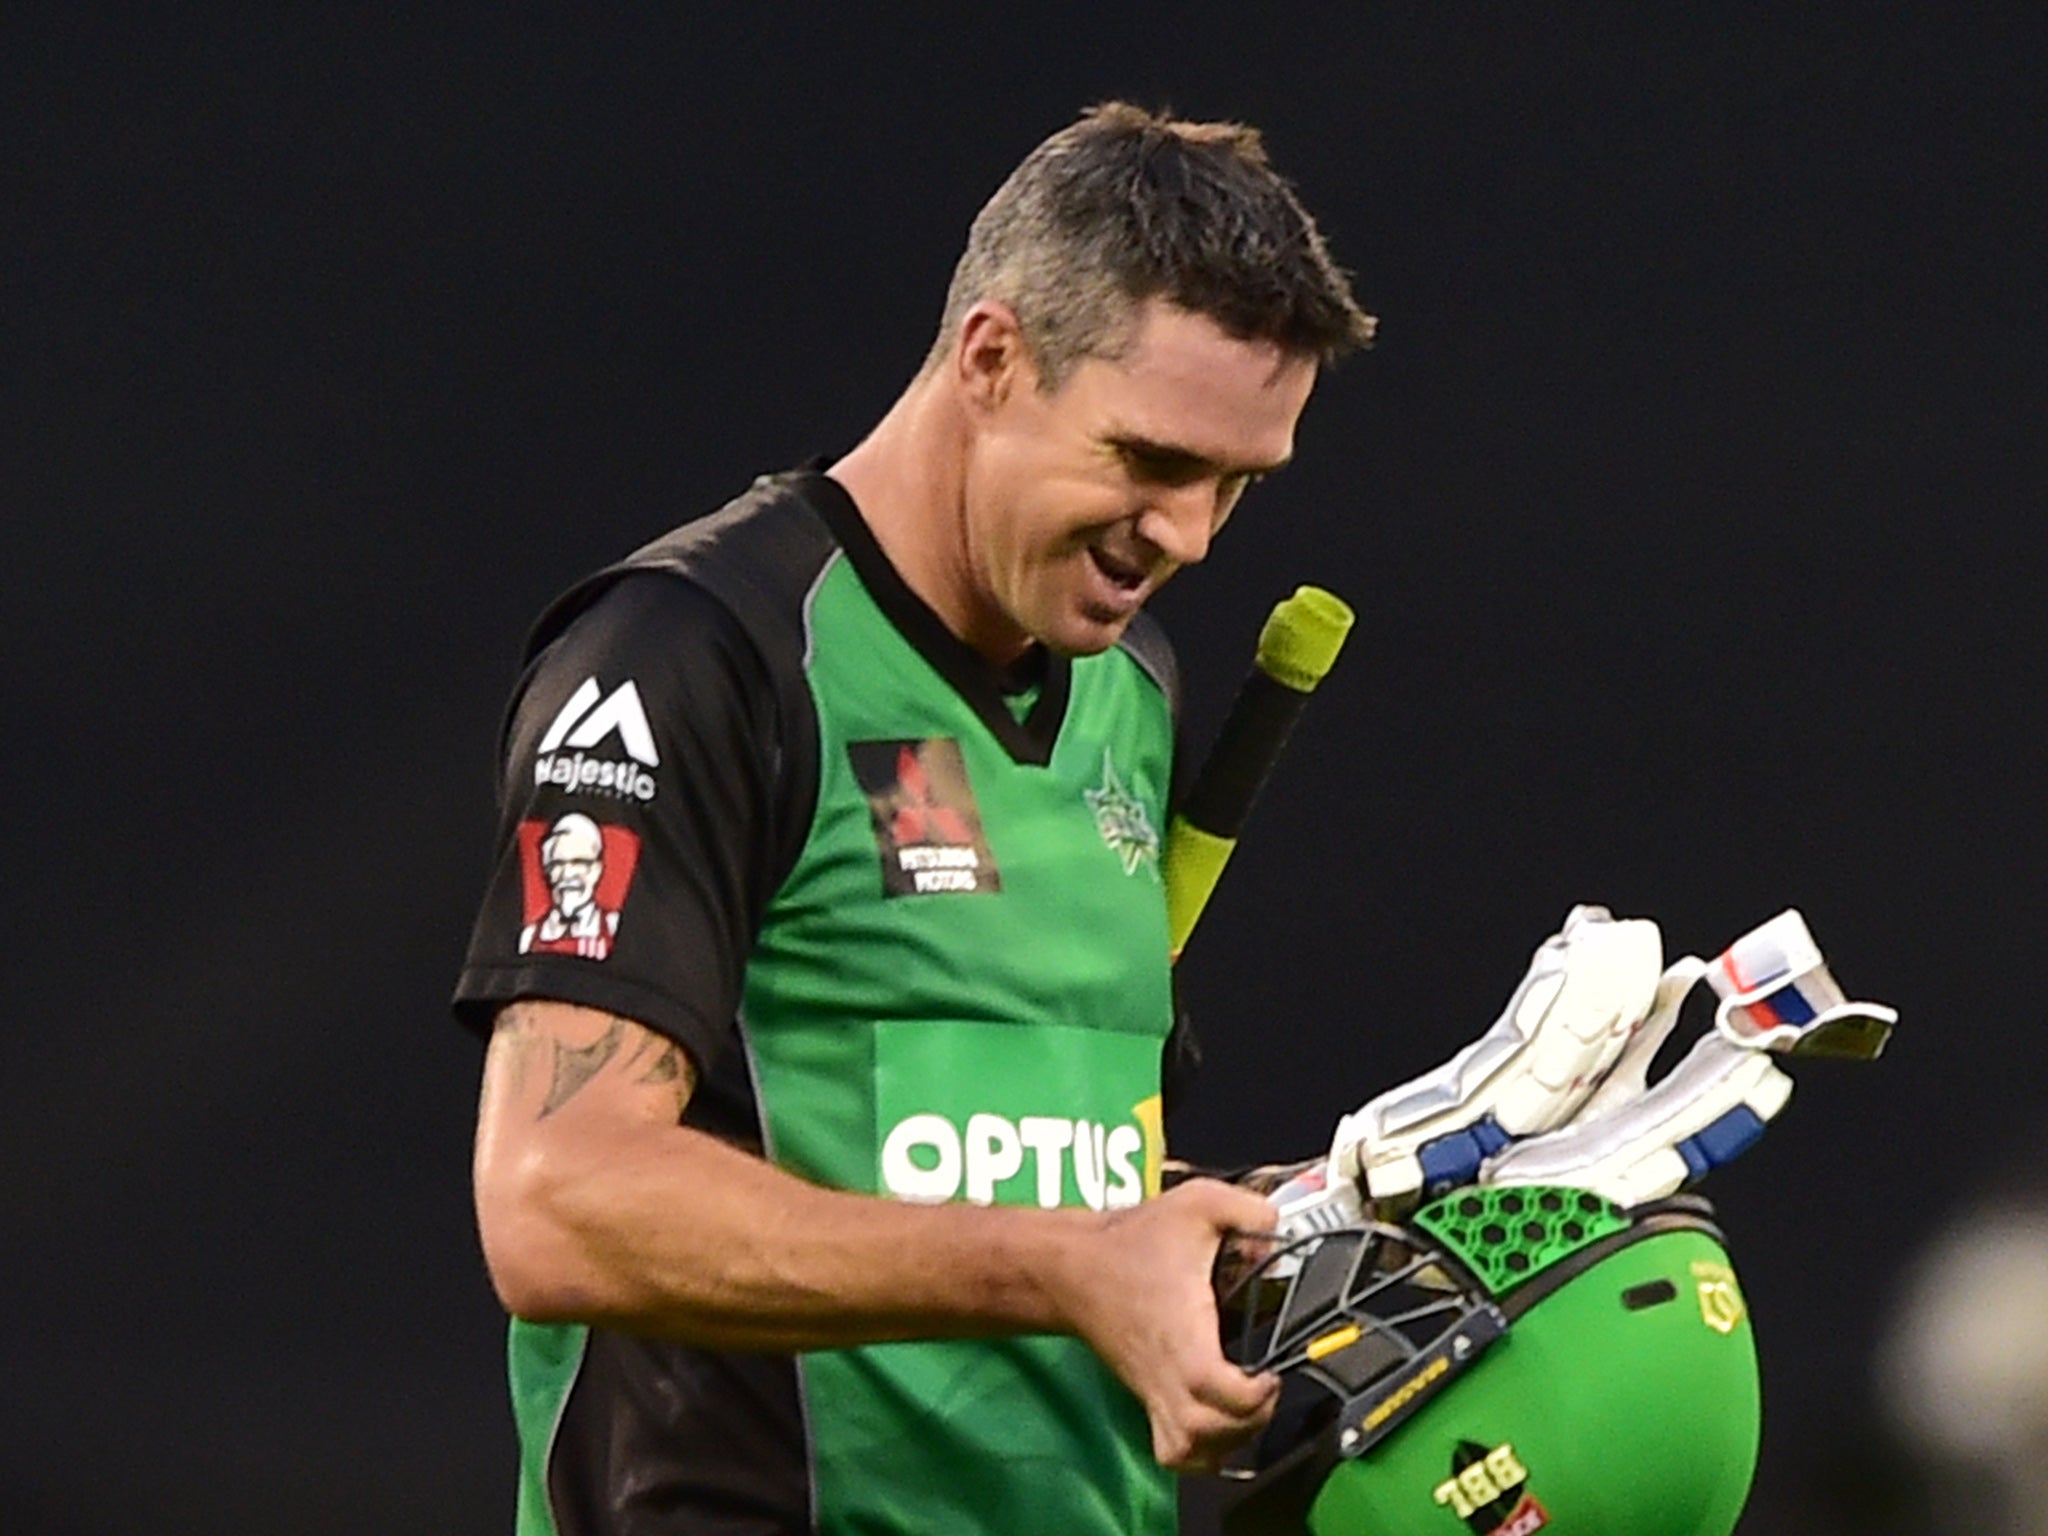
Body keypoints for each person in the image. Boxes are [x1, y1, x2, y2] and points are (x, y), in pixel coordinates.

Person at [454, 101, 1376, 1536]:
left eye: (1235, 487)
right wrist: (1064, 1271)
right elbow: (554, 1194)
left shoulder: (1127, 684)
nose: (1188, 536)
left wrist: (1315, 1225)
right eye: (1149, 462)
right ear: (993, 358)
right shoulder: (694, 656)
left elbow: (1055, 1166)